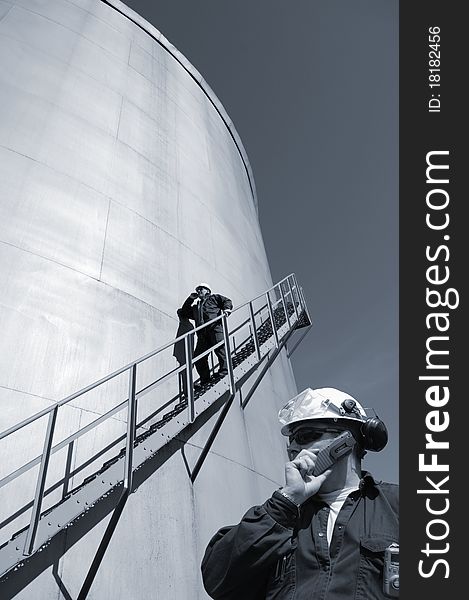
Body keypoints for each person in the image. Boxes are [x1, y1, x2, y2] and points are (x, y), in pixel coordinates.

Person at [201, 387, 399, 599]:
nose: (293, 447)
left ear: (345, 441)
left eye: (305, 435)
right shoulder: (280, 518)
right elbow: (217, 580)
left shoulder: (397, 505)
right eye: (291, 440)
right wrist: (286, 503)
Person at [179, 283, 233, 385]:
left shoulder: (213, 298)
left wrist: (227, 309)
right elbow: (184, 311)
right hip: (202, 334)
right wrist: (190, 298)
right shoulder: (196, 307)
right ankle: (205, 379)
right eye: (198, 289)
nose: (199, 291)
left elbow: (226, 301)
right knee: (199, 357)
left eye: (201, 289)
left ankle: (225, 372)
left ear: (207, 291)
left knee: (220, 350)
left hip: (214, 328)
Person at [172, 308, 195, 398]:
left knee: (185, 373)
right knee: (185, 373)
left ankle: (187, 392)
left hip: (185, 353)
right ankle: (187, 391)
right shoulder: (185, 325)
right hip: (184, 353)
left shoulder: (186, 325)